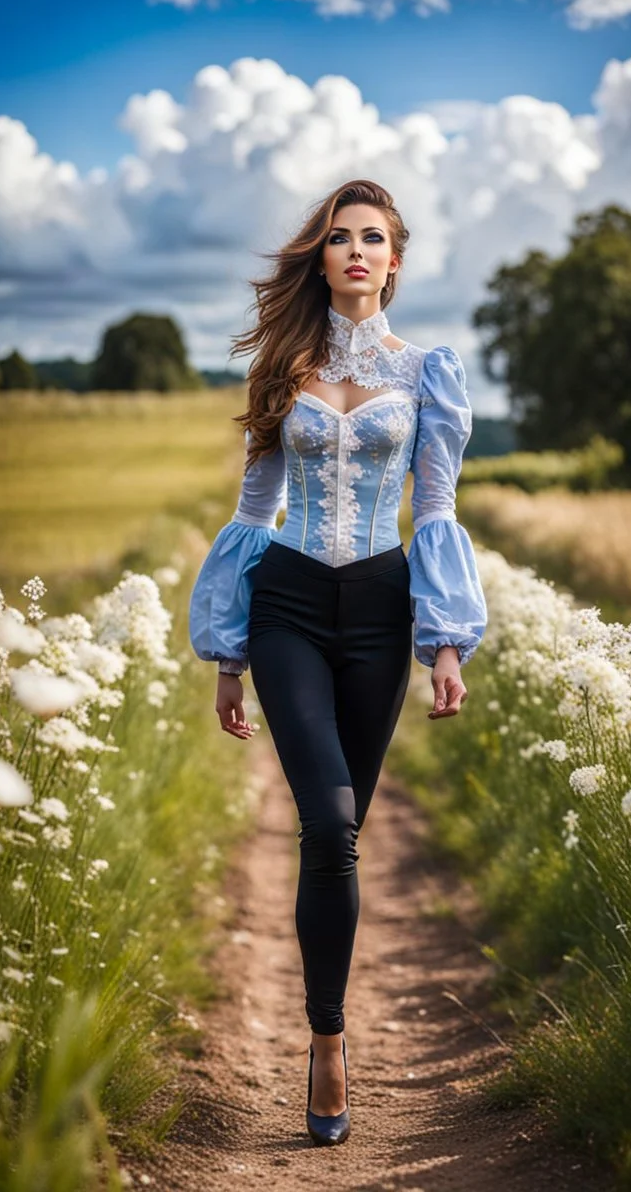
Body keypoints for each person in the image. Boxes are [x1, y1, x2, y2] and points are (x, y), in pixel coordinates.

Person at [188, 178, 488, 1146]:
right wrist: (228, 654)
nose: (355, 250)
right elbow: (252, 510)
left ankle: (327, 1019)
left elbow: (433, 509)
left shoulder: (426, 375)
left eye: (372, 238)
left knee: (343, 833)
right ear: (319, 259)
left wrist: (444, 641)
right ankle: (326, 1041)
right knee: (325, 816)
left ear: (394, 259)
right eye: (338, 238)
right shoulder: (283, 369)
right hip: (284, 601)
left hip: (379, 608)